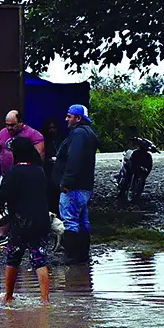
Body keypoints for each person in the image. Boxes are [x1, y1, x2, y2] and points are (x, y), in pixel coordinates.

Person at [0, 136, 52, 303]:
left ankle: (8, 297)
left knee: (13, 260)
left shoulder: (13, 172)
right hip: (40, 222)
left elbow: (1, 196)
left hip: (20, 223)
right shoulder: (39, 171)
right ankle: (45, 300)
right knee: (40, 260)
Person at [0, 110, 44, 246]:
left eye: (12, 125)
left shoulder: (34, 135)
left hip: (26, 178)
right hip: (6, 175)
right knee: (1, 204)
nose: (9, 128)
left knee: (24, 206)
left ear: (21, 122)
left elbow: (40, 156)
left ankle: (28, 234)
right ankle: (3, 234)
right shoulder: (3, 133)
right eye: (7, 125)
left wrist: (32, 173)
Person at [53, 104, 100, 264]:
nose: (66, 119)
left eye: (69, 116)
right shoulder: (89, 133)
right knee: (82, 220)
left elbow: (74, 158)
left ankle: (71, 257)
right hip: (85, 185)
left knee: (70, 220)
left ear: (78, 118)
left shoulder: (78, 134)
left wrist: (66, 181)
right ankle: (83, 257)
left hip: (74, 186)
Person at [41, 118, 62, 207]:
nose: (52, 130)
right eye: (50, 128)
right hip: (48, 170)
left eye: (54, 128)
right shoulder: (43, 141)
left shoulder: (61, 139)